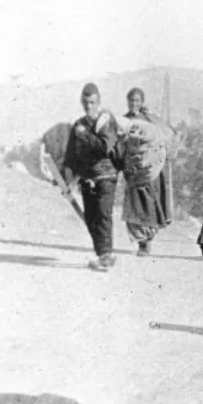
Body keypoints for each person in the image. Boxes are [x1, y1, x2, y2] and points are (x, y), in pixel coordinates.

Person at [62, 83, 121, 271]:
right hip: (86, 178)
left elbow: (105, 147)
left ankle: (106, 254)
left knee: (103, 213)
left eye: (92, 102)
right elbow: (71, 155)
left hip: (106, 175)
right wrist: (68, 178)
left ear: (99, 102)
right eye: (86, 102)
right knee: (90, 217)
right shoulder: (78, 125)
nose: (89, 106)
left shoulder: (107, 120)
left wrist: (85, 136)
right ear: (81, 102)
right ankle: (103, 254)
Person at [116, 87, 177, 256]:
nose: (134, 103)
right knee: (134, 205)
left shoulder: (151, 119)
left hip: (151, 170)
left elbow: (167, 135)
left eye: (137, 100)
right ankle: (141, 241)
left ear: (142, 102)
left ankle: (147, 240)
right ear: (127, 101)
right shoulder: (124, 120)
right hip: (133, 169)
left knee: (148, 203)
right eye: (131, 100)